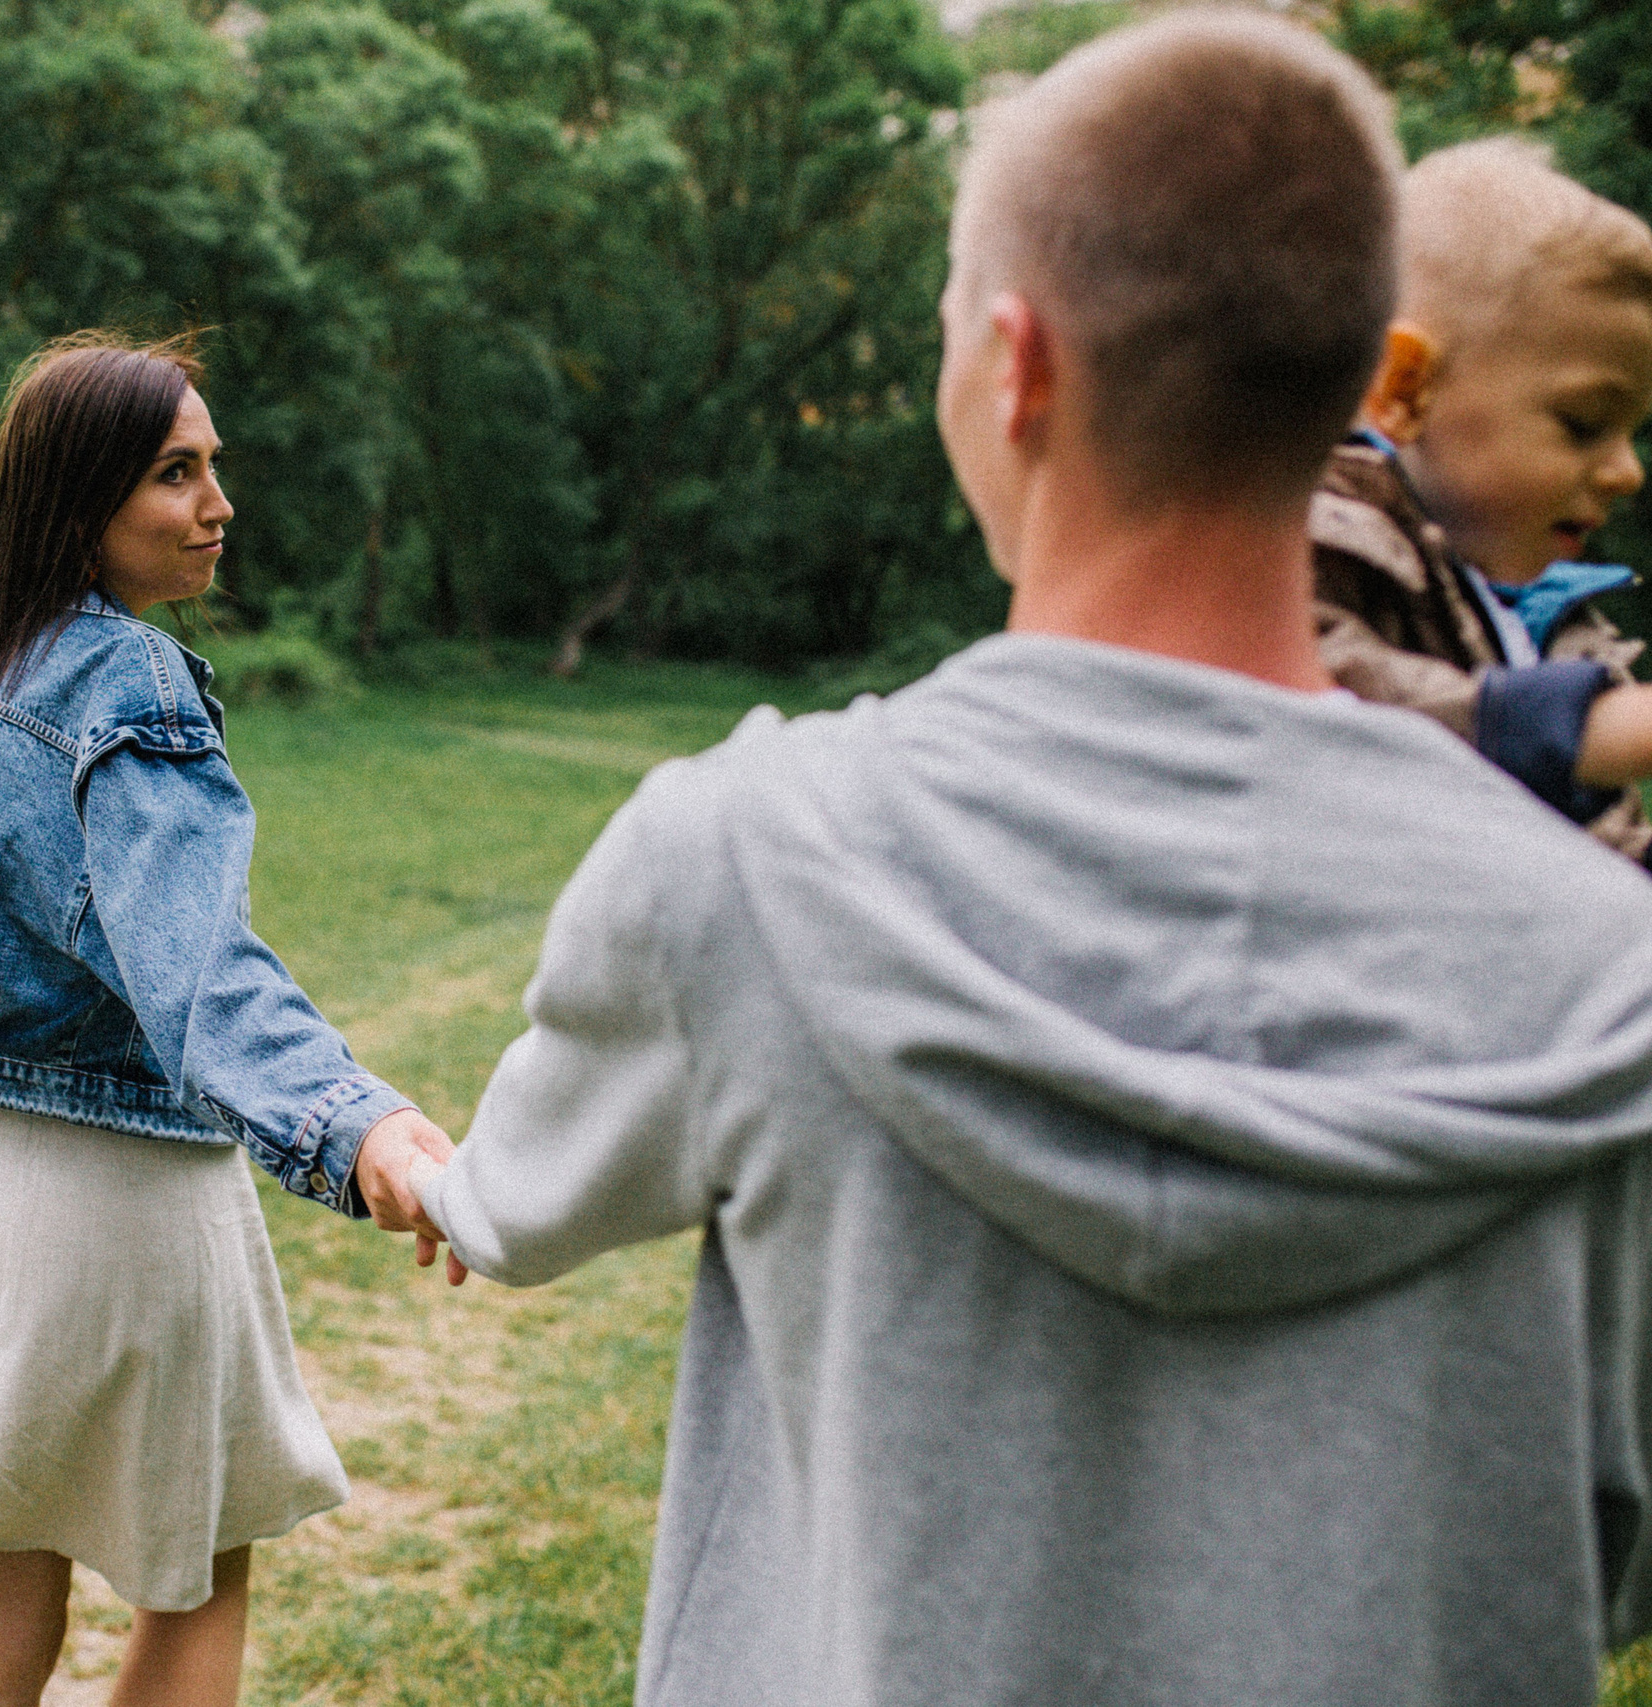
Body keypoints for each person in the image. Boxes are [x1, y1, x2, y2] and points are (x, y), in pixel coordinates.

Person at [405, 15, 1652, 1706]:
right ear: (1375, 384)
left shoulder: (738, 863)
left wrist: (413, 1162)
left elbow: (514, 1201)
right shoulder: (1612, 967)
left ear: (1016, 364)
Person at [0, 330, 454, 1707]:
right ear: (78, 499)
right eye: (175, 472)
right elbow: (201, 973)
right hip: (112, 1199)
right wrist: (356, 1125)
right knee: (194, 1589)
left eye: (212, 467)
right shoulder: (131, 682)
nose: (217, 504)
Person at [1314, 135, 1652, 859]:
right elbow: (1320, 708)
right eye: (1584, 423)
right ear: (1404, 388)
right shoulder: (1316, 539)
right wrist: (1583, 729)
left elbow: (1610, 854)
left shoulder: (1552, 621)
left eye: (1633, 432)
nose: (1628, 471)